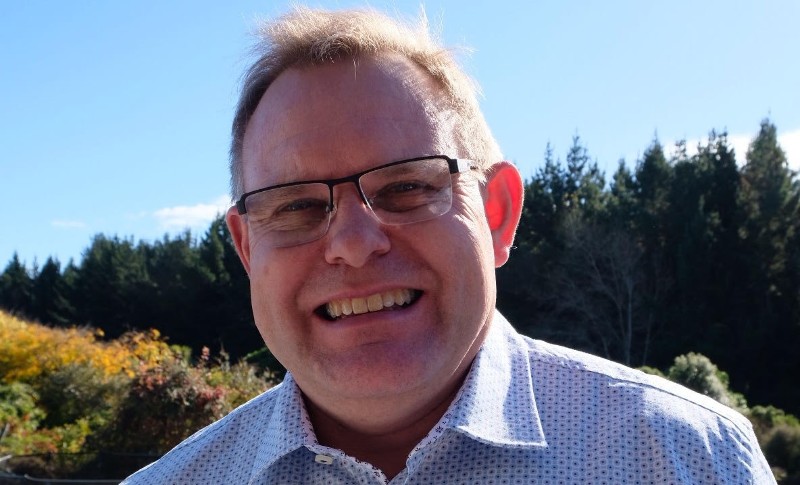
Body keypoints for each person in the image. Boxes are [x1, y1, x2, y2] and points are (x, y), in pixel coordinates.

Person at [124, 6, 774, 484]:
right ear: (246, 250)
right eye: (296, 206)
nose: (353, 244)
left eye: (407, 186)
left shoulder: (691, 460)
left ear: (498, 213)